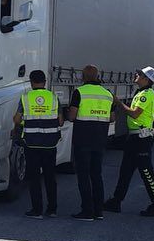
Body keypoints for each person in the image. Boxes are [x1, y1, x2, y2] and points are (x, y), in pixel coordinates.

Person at [104, 66, 154, 217]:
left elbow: (135, 114)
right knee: (125, 171)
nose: (136, 75)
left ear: (146, 79)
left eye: (140, 74)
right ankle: (116, 201)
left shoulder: (147, 94)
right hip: (134, 137)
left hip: (142, 138)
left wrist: (117, 102)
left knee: (146, 172)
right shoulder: (140, 92)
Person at [12, 69, 63, 219]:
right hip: (50, 143)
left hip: (31, 143)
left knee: (34, 177)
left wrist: (23, 121)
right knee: (50, 177)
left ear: (31, 82)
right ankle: (52, 209)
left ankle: (37, 210)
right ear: (45, 82)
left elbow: (16, 119)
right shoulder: (53, 97)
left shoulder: (26, 97)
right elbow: (60, 120)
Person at [67, 65, 115, 221]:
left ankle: (87, 211)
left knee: (83, 176)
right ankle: (99, 211)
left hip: (83, 140)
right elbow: (113, 118)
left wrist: (67, 114)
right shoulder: (108, 94)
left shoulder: (79, 92)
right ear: (97, 75)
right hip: (100, 140)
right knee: (96, 175)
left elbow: (72, 116)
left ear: (83, 77)